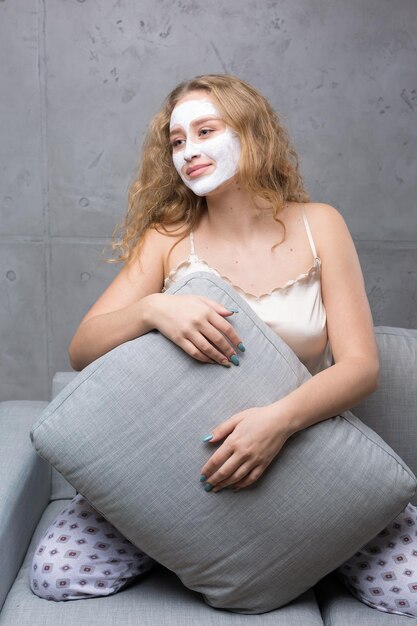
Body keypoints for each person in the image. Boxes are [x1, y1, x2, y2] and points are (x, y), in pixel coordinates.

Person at [28, 74, 416, 618]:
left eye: (205, 131)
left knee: (410, 588)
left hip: (306, 453)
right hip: (180, 463)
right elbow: (82, 348)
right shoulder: (167, 238)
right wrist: (153, 308)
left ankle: (293, 551)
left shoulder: (319, 225)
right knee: (56, 573)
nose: (188, 152)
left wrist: (276, 423)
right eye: (177, 141)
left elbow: (360, 368)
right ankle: (202, 544)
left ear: (252, 135)